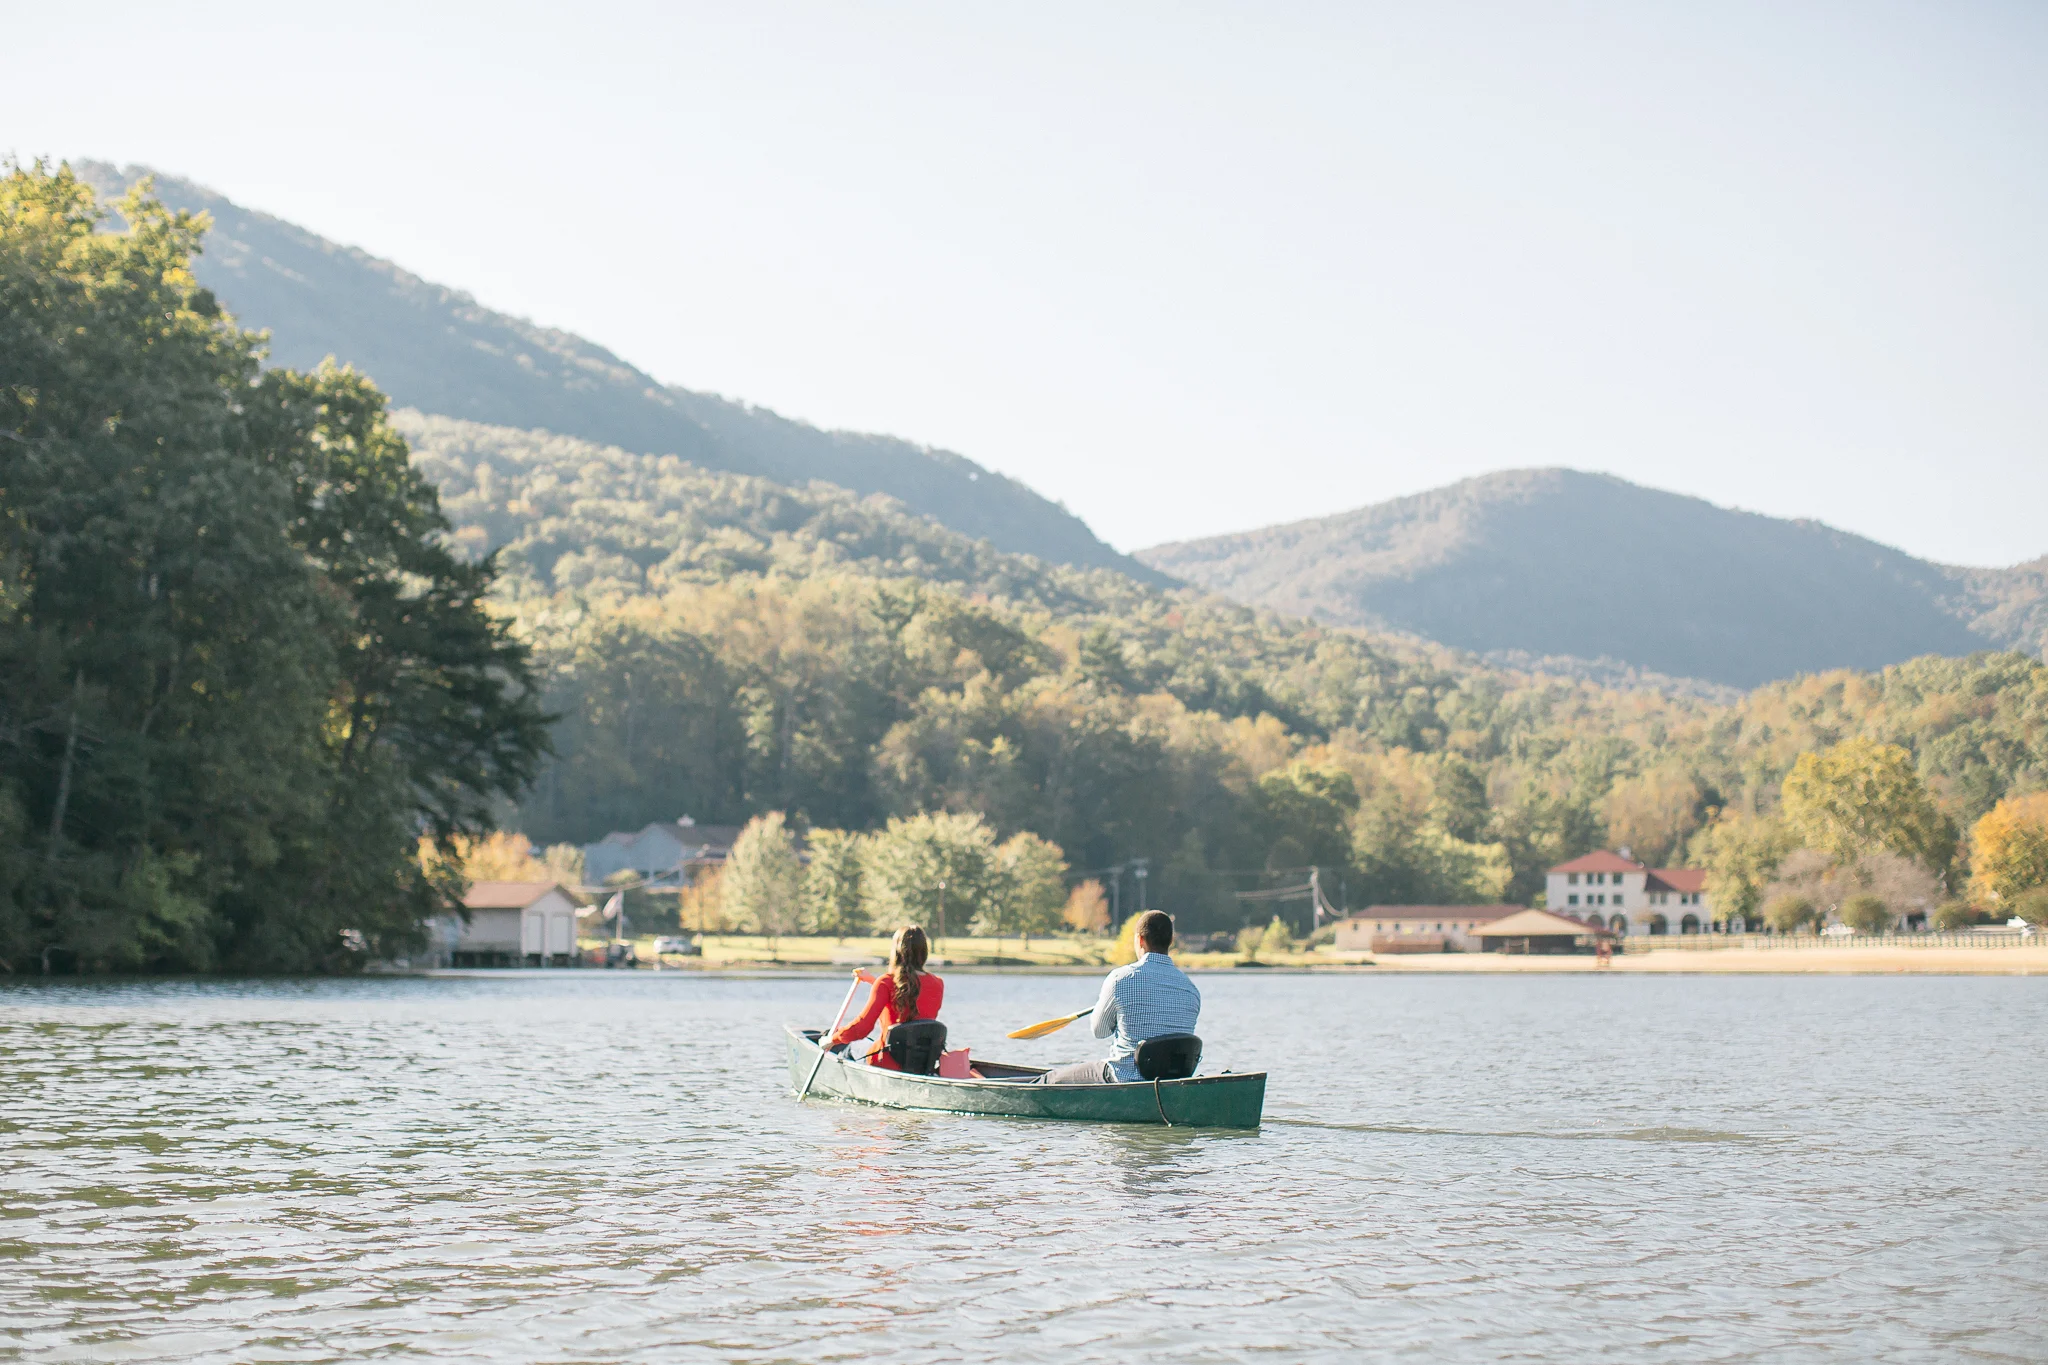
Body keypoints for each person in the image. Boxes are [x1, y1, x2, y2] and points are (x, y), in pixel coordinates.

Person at [1034, 910, 1199, 1084]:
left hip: (1122, 1078)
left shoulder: (1119, 980)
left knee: (1048, 1079)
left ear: (1140, 940)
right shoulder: (1192, 990)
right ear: (1171, 941)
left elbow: (1099, 1031)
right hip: (1171, 1083)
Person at [827, 925, 943, 1070]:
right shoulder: (937, 983)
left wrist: (833, 1039)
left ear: (896, 951)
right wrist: (872, 981)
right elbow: (907, 996)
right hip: (920, 1063)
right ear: (924, 951)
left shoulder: (886, 982)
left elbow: (862, 1028)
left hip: (886, 1061)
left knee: (850, 1047)